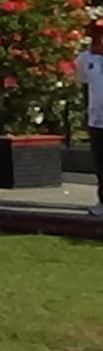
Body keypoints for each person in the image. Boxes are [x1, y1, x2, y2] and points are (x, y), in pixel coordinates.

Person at [80, 24, 103, 217]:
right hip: (97, 121)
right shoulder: (85, 59)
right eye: (97, 37)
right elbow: (85, 87)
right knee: (101, 165)